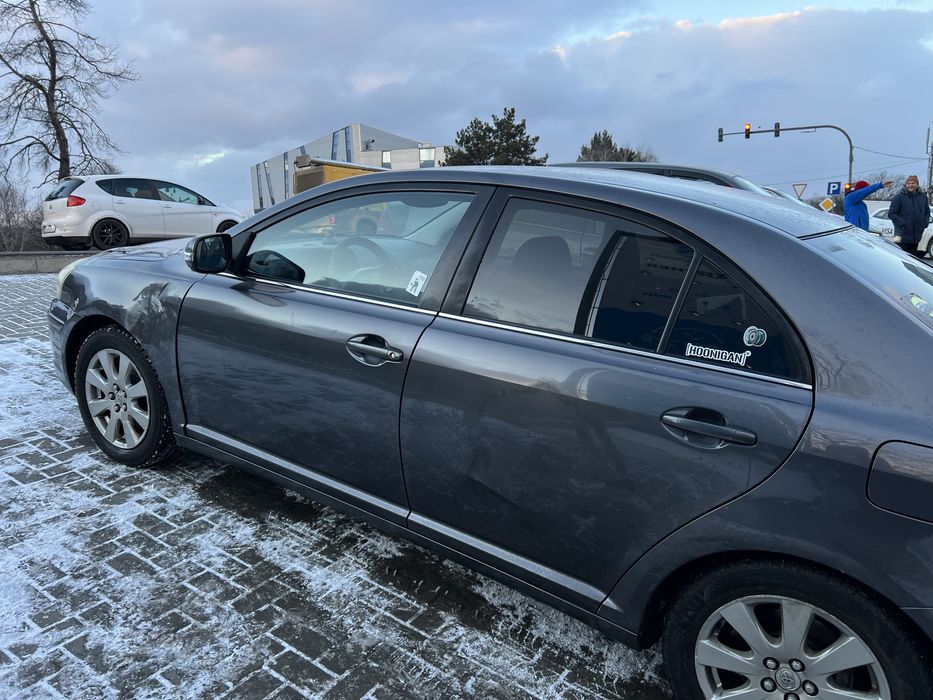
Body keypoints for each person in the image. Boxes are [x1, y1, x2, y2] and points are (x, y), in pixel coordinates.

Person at [888, 175, 931, 259]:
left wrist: (925, 223)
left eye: (913, 183)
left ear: (917, 184)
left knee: (912, 259)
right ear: (905, 185)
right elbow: (891, 213)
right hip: (902, 236)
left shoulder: (923, 197)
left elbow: (927, 211)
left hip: (916, 236)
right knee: (901, 259)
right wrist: (902, 223)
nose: (910, 185)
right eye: (908, 183)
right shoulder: (899, 198)